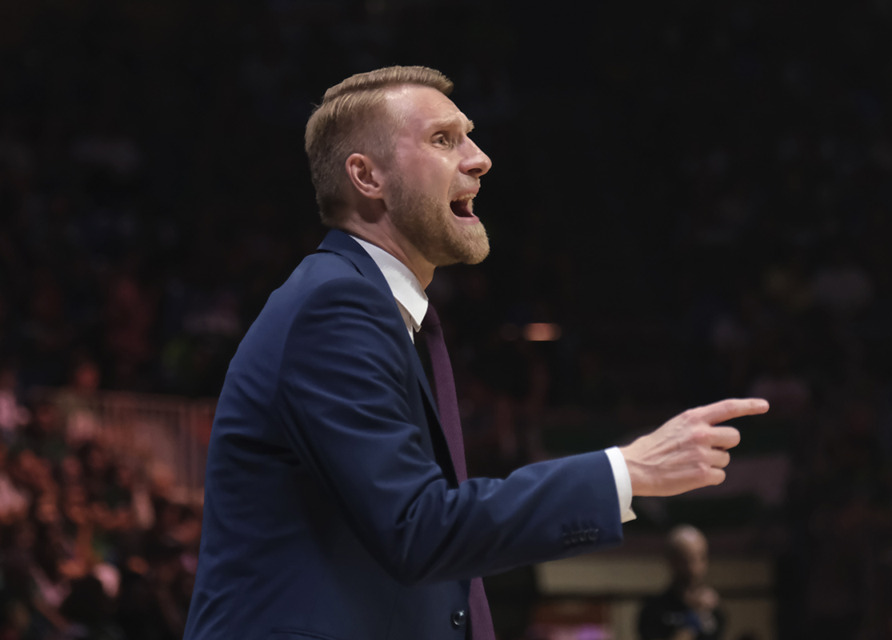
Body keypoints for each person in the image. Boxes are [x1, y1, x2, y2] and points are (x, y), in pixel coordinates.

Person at [181, 65, 769, 640]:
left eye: (470, 136)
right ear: (367, 176)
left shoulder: (372, 308)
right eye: (444, 139)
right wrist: (624, 471)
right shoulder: (334, 308)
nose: (480, 158)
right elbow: (416, 526)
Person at [639, 525, 725, 640]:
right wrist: (695, 616)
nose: (694, 568)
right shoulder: (653, 611)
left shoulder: (714, 611)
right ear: (671, 561)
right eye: (686, 560)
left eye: (701, 558)